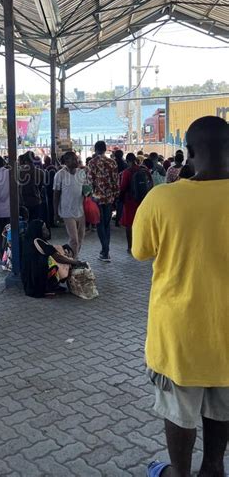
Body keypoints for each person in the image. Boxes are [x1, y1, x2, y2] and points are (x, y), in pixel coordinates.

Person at [132, 116, 229, 477]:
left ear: (187, 154)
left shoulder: (162, 199)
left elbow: (140, 250)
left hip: (179, 336)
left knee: (179, 411)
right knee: (222, 406)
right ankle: (214, 468)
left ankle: (179, 473)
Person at [87, 141, 119, 262]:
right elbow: (116, 180)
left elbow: (90, 181)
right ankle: (105, 251)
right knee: (107, 224)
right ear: (105, 149)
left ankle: (105, 251)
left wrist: (89, 195)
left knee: (100, 224)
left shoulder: (92, 163)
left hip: (97, 198)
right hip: (109, 197)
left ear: (95, 149)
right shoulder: (112, 162)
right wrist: (116, 195)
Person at [53, 151, 87, 259]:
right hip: (67, 211)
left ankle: (72, 257)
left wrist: (89, 192)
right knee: (74, 240)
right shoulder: (60, 175)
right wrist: (55, 213)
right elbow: (56, 194)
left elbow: (86, 189)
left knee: (81, 238)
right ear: (66, 161)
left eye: (76, 158)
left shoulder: (81, 173)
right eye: (72, 159)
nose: (76, 161)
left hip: (80, 210)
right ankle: (73, 261)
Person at [119, 153, 152, 253]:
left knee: (129, 224)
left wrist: (120, 198)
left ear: (128, 161)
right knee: (142, 222)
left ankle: (130, 247)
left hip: (130, 201)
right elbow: (150, 183)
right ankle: (143, 245)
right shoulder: (144, 170)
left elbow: (123, 187)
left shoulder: (127, 172)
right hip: (143, 201)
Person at [18, 152, 43, 221]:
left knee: (24, 222)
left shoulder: (19, 172)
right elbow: (40, 187)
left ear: (25, 160)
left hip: (23, 201)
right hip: (36, 200)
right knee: (34, 222)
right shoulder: (40, 172)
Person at [43, 156, 57, 228]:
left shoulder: (46, 168)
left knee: (50, 207)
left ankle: (50, 221)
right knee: (51, 207)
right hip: (52, 189)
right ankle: (52, 221)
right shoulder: (52, 168)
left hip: (49, 190)